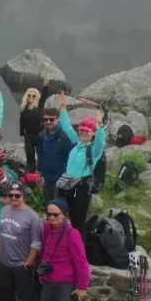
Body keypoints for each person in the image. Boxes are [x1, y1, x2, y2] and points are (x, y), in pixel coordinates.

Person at [38, 199, 91, 301]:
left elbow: (82, 262)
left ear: (65, 215)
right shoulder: (46, 229)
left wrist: (82, 287)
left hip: (67, 284)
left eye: (55, 215)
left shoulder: (71, 234)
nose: (51, 218)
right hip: (48, 281)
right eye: (48, 214)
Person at [53, 92, 107, 230]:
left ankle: (79, 249)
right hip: (68, 187)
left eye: (87, 131)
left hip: (81, 190)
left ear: (93, 133)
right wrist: (63, 108)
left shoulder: (93, 150)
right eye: (81, 130)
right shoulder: (76, 143)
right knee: (65, 219)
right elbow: (66, 127)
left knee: (78, 223)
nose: (83, 132)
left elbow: (100, 143)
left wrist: (100, 125)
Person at [36, 107, 73, 204]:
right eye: (45, 119)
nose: (48, 122)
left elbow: (70, 159)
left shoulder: (64, 137)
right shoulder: (42, 135)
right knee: (48, 204)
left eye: (51, 119)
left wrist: (64, 177)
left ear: (58, 119)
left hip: (60, 180)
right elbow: (41, 154)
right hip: (47, 179)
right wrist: (39, 173)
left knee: (58, 207)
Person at [19, 88, 47, 172]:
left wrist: (46, 84)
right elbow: (21, 121)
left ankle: (41, 173)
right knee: (29, 156)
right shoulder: (24, 108)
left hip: (40, 134)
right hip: (28, 135)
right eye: (29, 95)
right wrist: (21, 134)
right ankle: (31, 174)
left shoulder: (40, 105)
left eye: (34, 96)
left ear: (37, 97)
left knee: (41, 155)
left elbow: (45, 94)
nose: (31, 97)